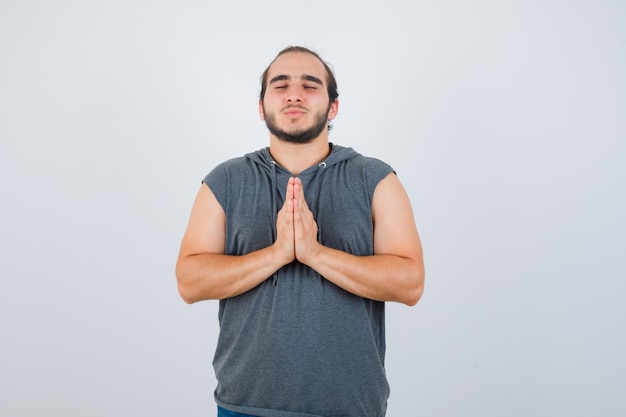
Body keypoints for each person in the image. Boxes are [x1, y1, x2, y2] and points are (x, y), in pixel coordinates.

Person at [176, 45, 425, 417]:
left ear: (333, 106)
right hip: (243, 406)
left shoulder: (377, 179)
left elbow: (410, 284)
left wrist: (316, 254)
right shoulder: (225, 181)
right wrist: (278, 254)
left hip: (350, 408)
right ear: (261, 107)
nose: (294, 93)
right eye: (280, 85)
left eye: (310, 85)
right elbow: (189, 283)